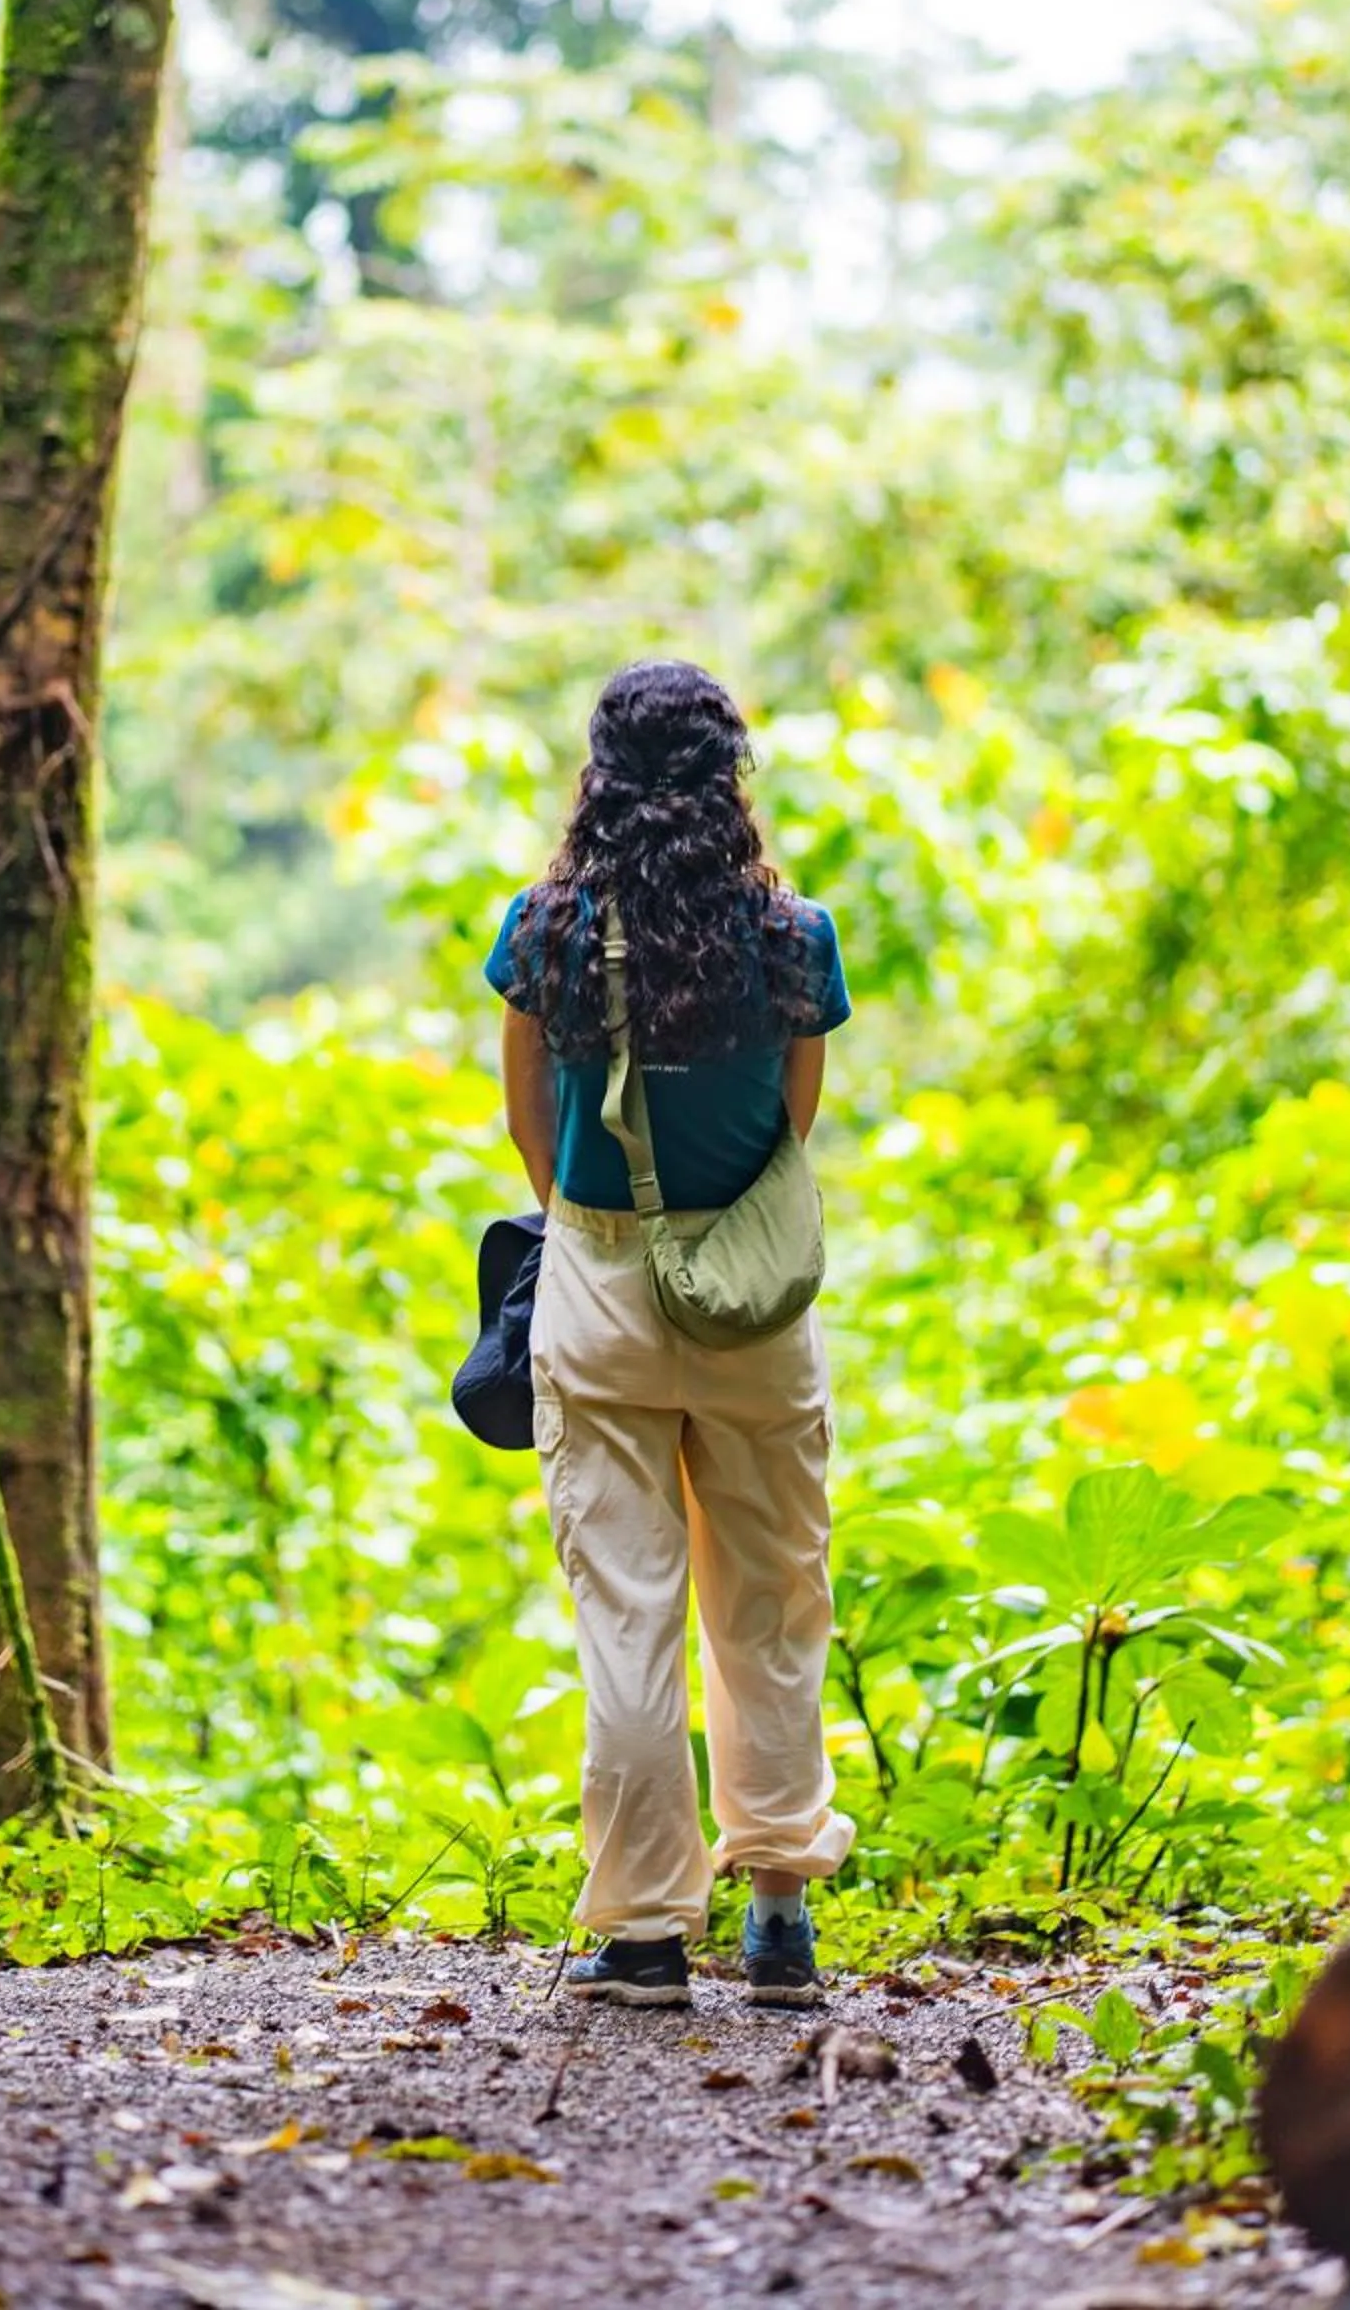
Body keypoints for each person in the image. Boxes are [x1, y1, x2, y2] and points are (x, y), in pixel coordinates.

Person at [485, 658, 855, 2009]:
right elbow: (793, 1122)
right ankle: (779, 1917)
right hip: (753, 1298)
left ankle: (643, 1935)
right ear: (728, 776)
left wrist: (595, 1230)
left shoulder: (546, 929)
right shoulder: (793, 936)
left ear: (601, 777)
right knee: (771, 1608)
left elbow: (527, 1119)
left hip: (597, 1286)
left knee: (629, 1620)